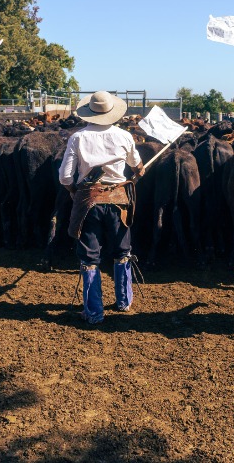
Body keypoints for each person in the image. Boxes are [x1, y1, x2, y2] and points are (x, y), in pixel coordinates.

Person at [59, 91, 144, 325]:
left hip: (89, 202)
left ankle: (94, 312)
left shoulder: (78, 137)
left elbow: (65, 177)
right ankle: (124, 301)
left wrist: (74, 192)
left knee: (90, 256)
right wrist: (139, 171)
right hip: (118, 200)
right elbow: (137, 166)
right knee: (122, 251)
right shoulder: (125, 136)